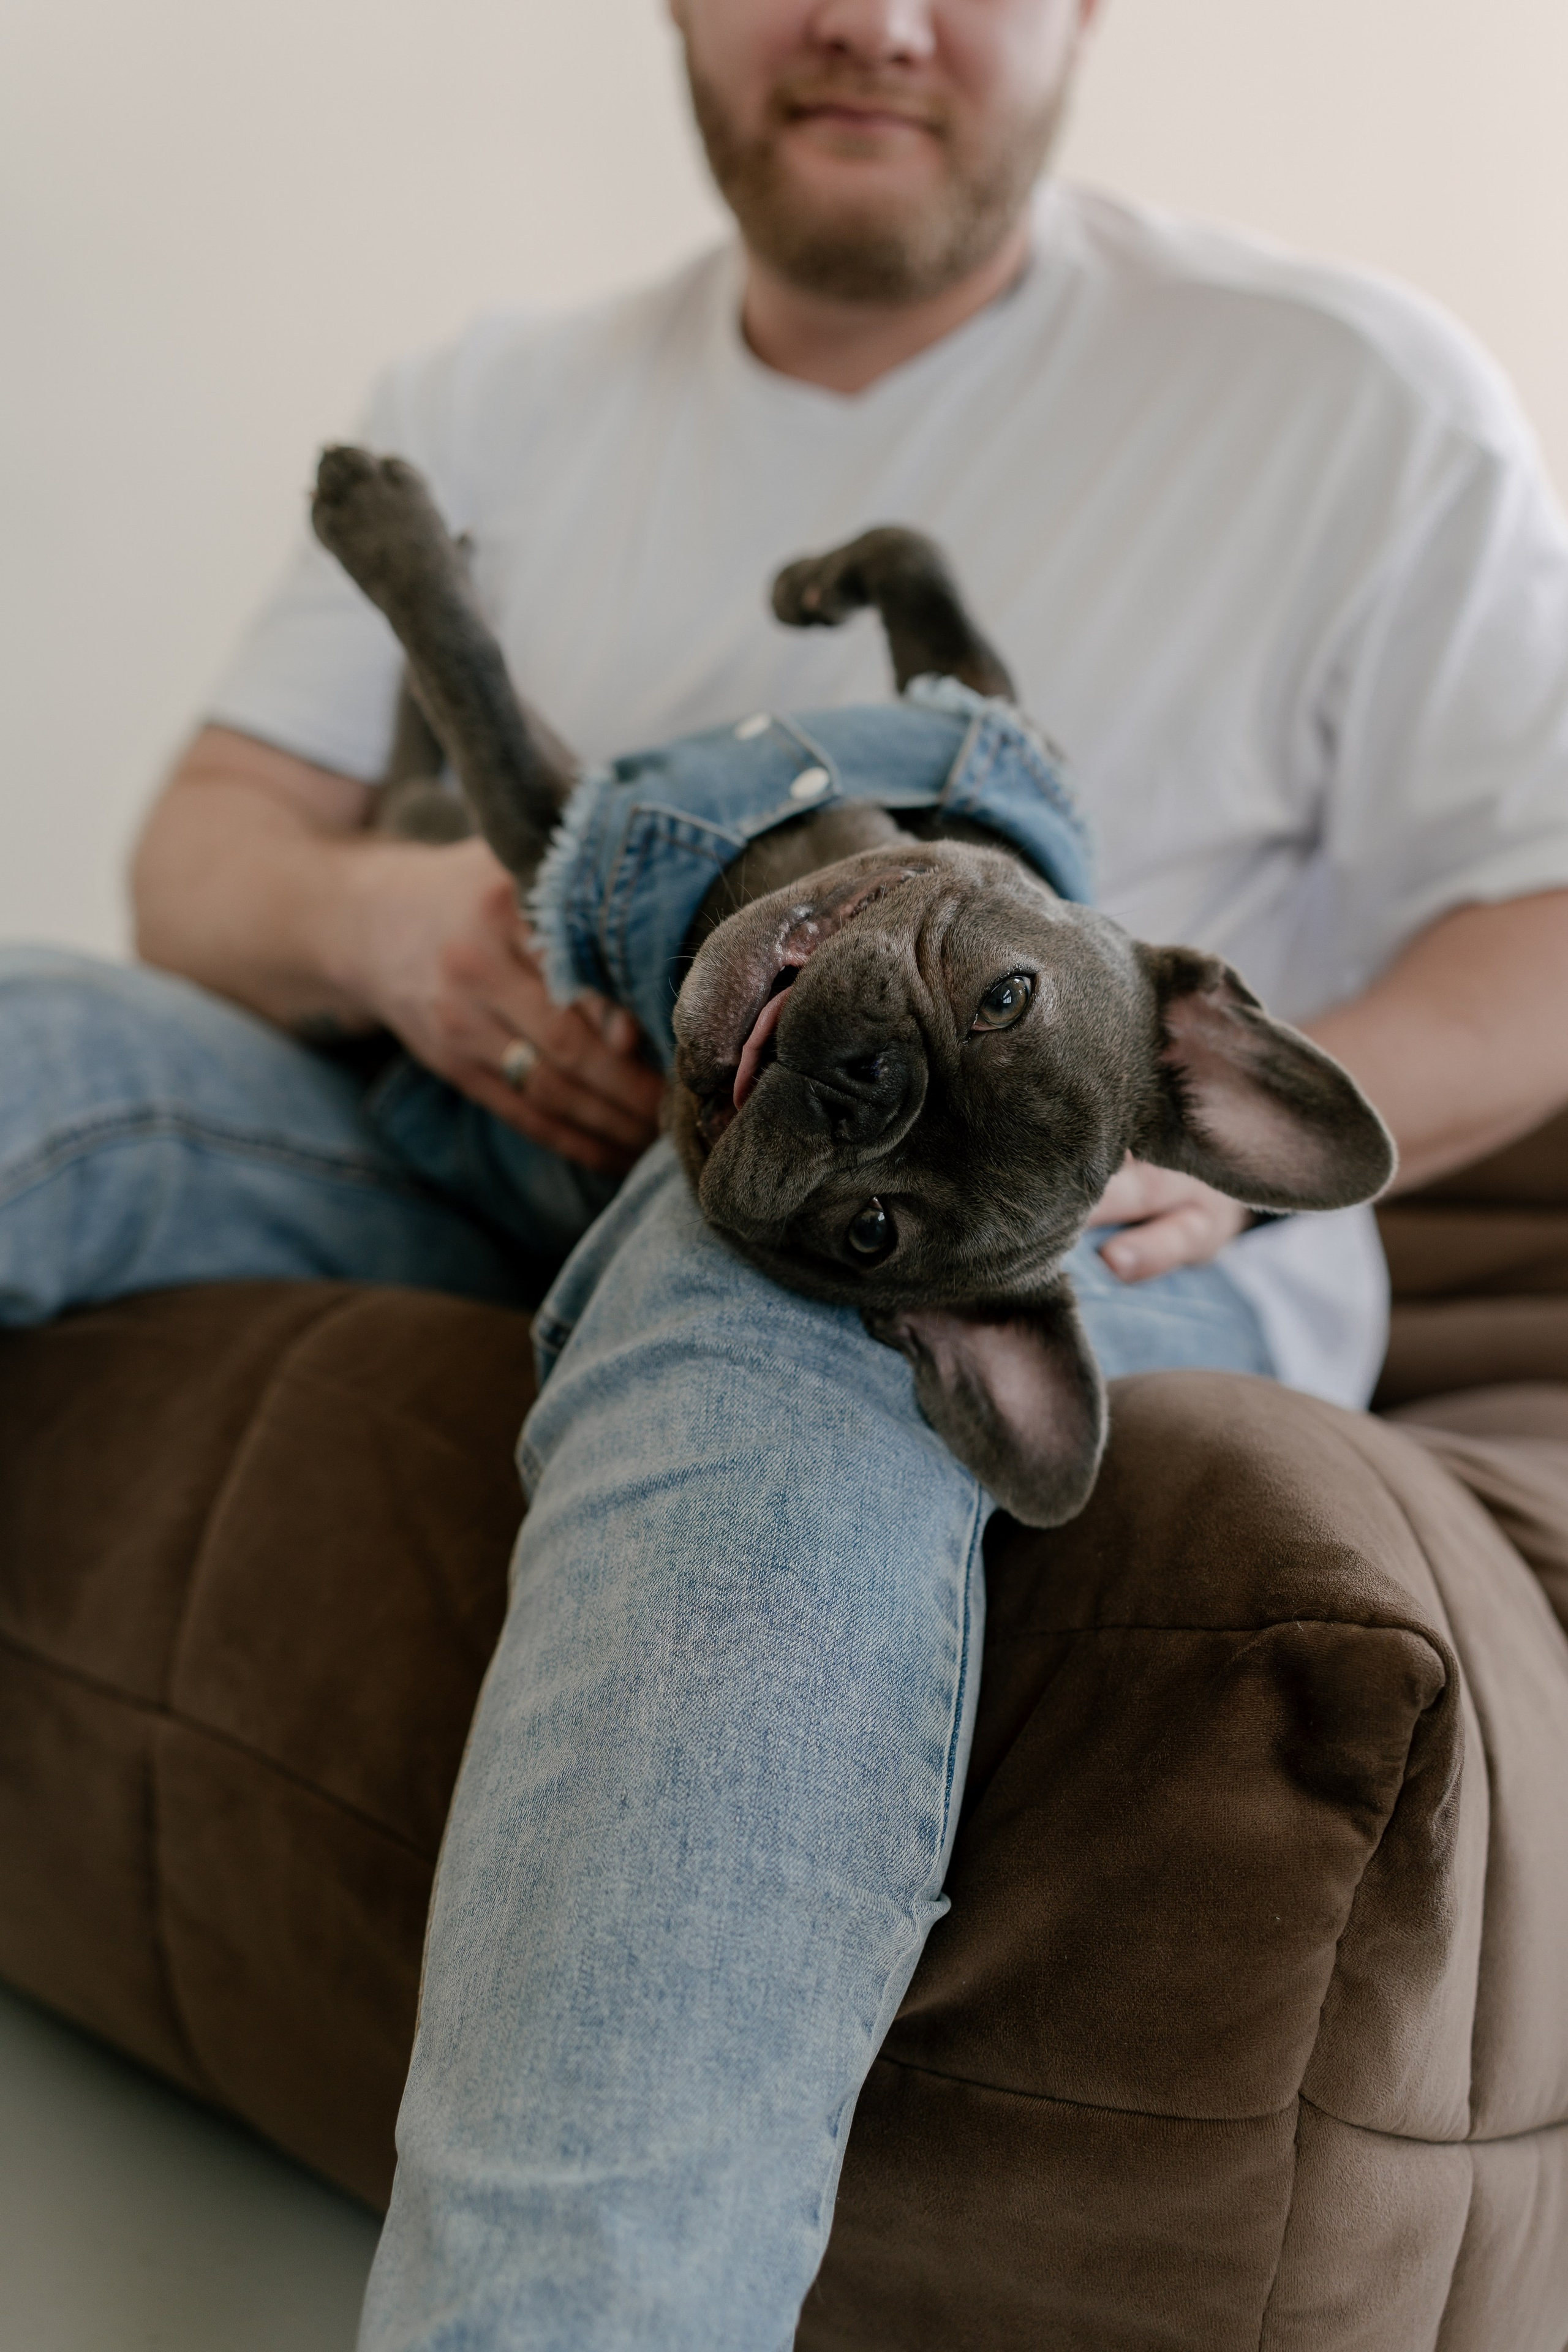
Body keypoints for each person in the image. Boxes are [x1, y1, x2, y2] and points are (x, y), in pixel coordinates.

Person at [6, 0, 1568, 2340]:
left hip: (1058, 1245)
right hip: (473, 1134)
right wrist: (385, 927)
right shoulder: (490, 391)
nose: (870, 16)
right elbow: (201, 856)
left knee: (811, 1311)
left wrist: (1221, 1165)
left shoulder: (1343, 393)